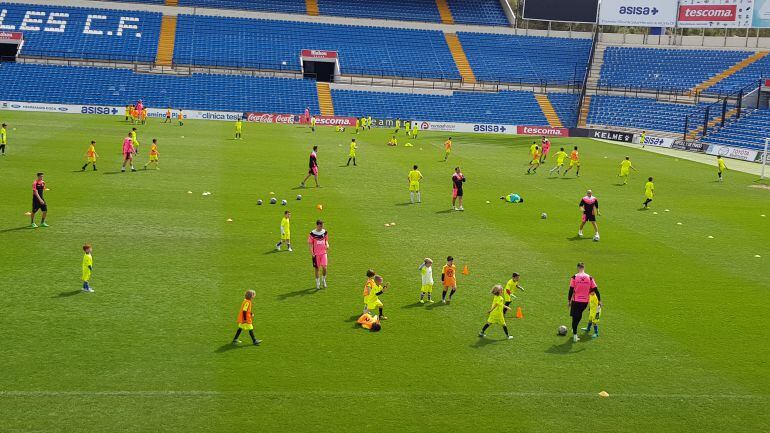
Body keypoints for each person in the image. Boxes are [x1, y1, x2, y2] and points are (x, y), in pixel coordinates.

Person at [568, 263, 600, 342]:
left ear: (578, 268)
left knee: (575, 316)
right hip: (584, 302)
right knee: (578, 316)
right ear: (584, 267)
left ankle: (575, 334)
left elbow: (571, 289)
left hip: (576, 300)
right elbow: (596, 289)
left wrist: (569, 300)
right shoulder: (590, 277)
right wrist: (600, 300)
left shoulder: (574, 277)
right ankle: (574, 329)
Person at [308, 219, 329, 289]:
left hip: (323, 253)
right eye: (320, 226)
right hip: (316, 254)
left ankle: (323, 280)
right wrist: (312, 252)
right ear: (317, 225)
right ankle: (318, 282)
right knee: (317, 269)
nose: (321, 227)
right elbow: (310, 244)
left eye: (322, 226)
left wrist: (327, 244)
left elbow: (326, 240)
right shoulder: (312, 233)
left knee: (325, 267)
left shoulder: (325, 232)